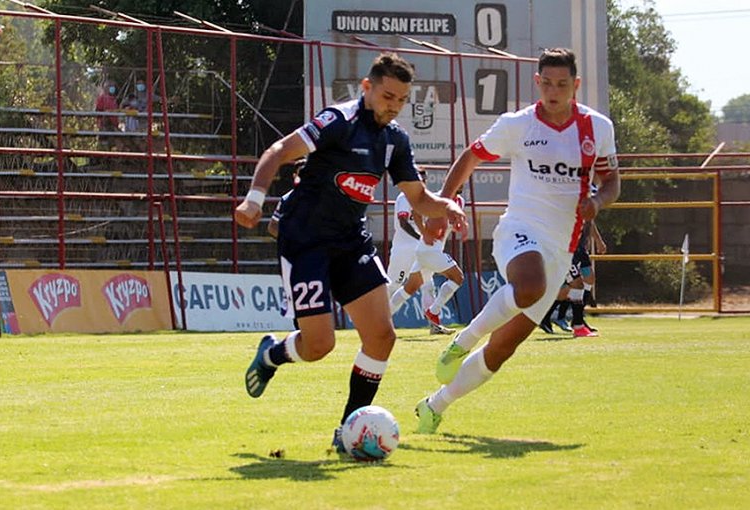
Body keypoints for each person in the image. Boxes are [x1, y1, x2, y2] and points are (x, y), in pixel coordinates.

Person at [233, 52, 467, 452]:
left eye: (401, 100)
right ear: (367, 87)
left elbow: (418, 197)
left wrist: (446, 206)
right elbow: (277, 151)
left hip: (351, 242)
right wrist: (255, 200)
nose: (393, 106)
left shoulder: (396, 141)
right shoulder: (337, 121)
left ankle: (348, 432)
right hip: (305, 239)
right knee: (319, 345)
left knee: (381, 337)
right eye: (387, 96)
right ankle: (272, 355)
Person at [415, 48, 620, 434]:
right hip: (519, 229)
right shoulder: (518, 125)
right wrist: (445, 202)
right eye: (547, 83)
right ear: (537, 83)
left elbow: (612, 182)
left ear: (575, 85)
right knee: (529, 285)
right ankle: (463, 340)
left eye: (562, 84)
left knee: (503, 348)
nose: (554, 91)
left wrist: (597, 201)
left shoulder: (598, 128)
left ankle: (435, 405)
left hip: (561, 247)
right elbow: (471, 158)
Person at [385, 174, 455, 335]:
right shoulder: (404, 197)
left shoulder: (424, 198)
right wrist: (423, 237)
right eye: (418, 179)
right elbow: (403, 223)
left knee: (427, 285)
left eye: (423, 179)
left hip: (420, 250)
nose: (421, 182)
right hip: (403, 250)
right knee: (394, 285)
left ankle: (434, 325)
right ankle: (379, 323)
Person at [95, 80, 119, 154]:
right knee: (104, 141)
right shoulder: (102, 98)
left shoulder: (114, 99)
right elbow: (98, 110)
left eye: (113, 87)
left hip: (113, 124)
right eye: (110, 87)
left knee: (113, 142)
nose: (112, 88)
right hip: (105, 123)